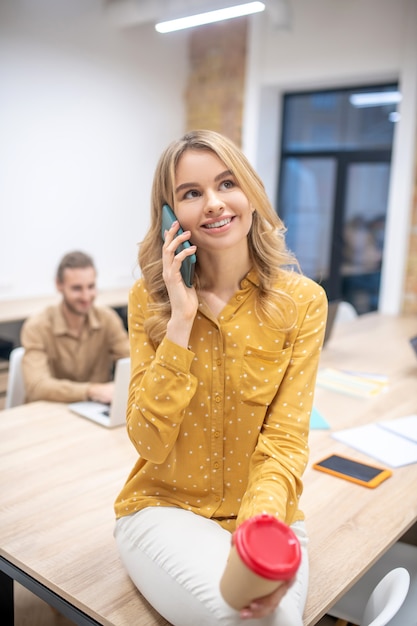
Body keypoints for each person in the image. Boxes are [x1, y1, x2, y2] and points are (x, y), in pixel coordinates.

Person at [114, 130, 328, 626]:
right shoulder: (149, 301)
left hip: (265, 512)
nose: (213, 203)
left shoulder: (302, 303)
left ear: (249, 192)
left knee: (273, 619)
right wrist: (181, 321)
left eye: (226, 183)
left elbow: (284, 442)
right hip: (164, 508)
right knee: (241, 620)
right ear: (170, 216)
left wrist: (254, 544)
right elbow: (146, 438)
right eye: (191, 193)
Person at [21, 250, 129, 403]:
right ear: (59, 285)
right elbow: (36, 387)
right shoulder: (37, 326)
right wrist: (92, 390)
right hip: (51, 412)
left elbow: (132, 363)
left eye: (91, 286)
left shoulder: (108, 319)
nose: (86, 297)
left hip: (96, 410)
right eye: (77, 288)